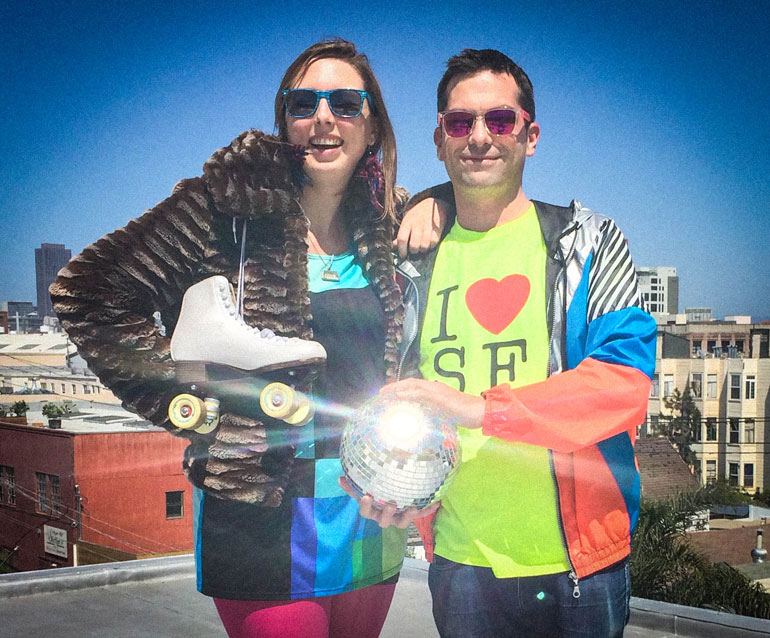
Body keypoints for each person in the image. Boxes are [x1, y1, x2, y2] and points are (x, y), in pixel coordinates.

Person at [50, 38, 437, 638]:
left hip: (366, 510)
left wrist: (439, 200)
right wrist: (187, 402)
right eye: (303, 103)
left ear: (373, 125)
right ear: (285, 122)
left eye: (345, 103)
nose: (324, 118)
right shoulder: (226, 211)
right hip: (258, 514)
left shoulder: (383, 225)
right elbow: (90, 291)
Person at [365, 48, 658, 637]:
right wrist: (382, 483)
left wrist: (480, 410)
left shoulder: (589, 244)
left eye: (500, 120)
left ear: (531, 135)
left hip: (580, 568)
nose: (479, 137)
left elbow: (623, 385)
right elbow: (375, 395)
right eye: (459, 123)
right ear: (439, 140)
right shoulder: (405, 265)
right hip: (459, 562)